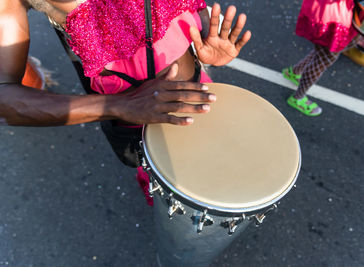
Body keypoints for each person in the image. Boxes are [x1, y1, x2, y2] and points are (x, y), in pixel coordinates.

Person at [0, 0, 251, 204]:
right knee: (177, 194)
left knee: (225, 164)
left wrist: (204, 33)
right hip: (140, 120)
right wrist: (119, 105)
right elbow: (4, 96)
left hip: (196, 85)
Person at [282, 0, 364, 116]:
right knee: (324, 59)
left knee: (323, 52)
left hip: (342, 11)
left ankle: (294, 72)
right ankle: (298, 98)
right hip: (332, 16)